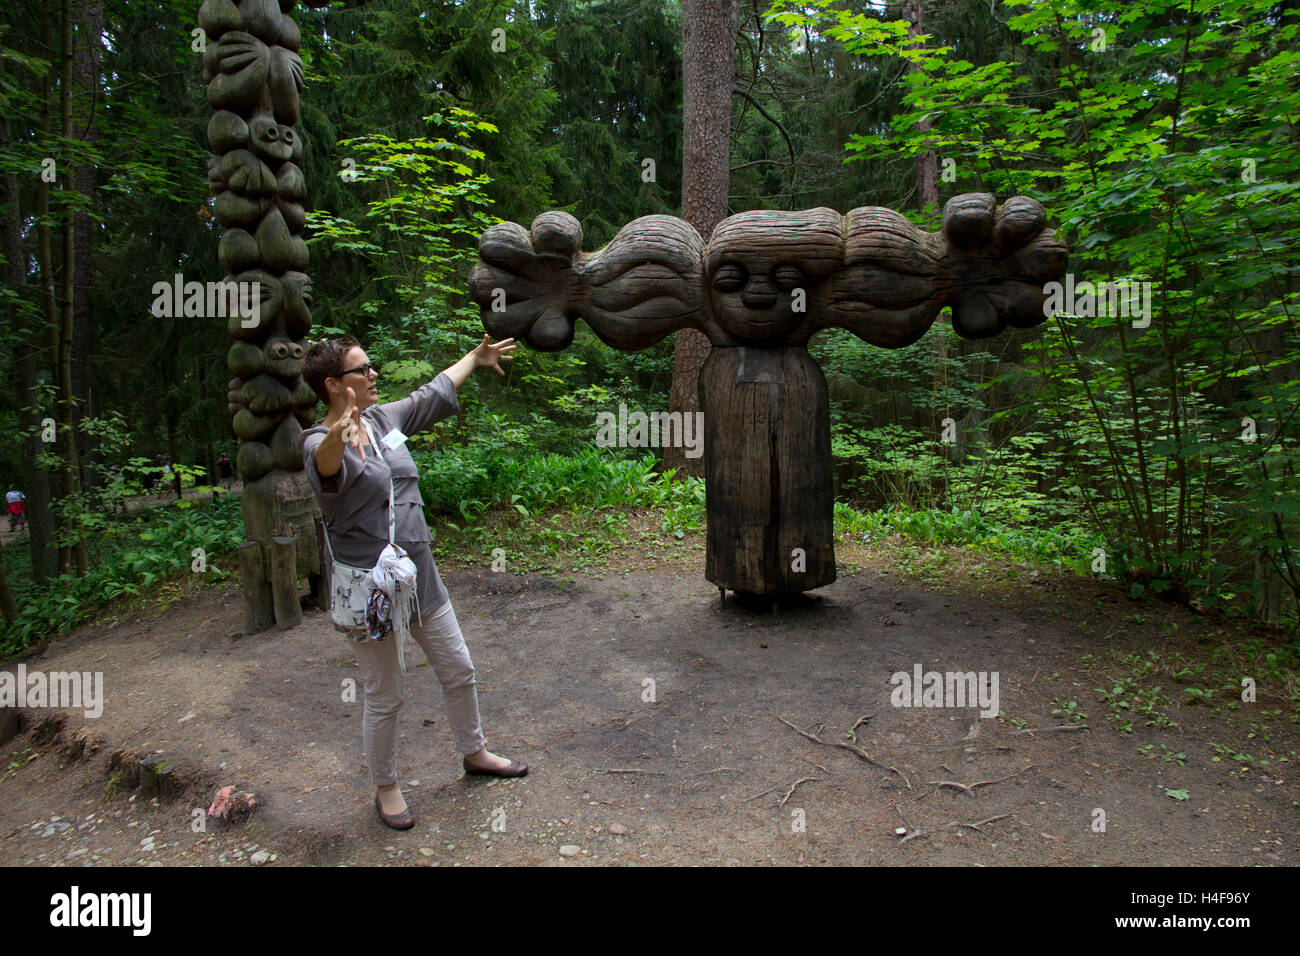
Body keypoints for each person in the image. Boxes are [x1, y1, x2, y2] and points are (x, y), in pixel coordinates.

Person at [299, 332, 523, 831]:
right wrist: (340, 431)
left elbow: (431, 392)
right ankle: (386, 787)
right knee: (386, 692)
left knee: (459, 668)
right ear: (334, 384)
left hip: (420, 578)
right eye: (363, 369)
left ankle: (475, 752)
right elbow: (326, 466)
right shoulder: (316, 441)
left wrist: (475, 357)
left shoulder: (382, 420)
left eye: (372, 366)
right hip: (375, 593)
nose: (374, 373)